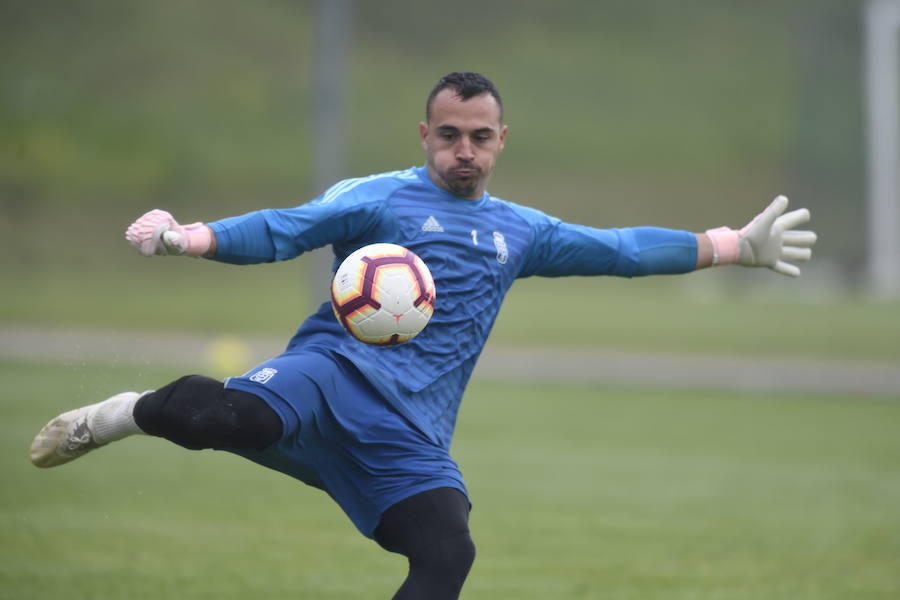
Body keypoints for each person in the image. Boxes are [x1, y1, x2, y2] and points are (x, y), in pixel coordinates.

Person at [30, 72, 817, 599]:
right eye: (449, 136)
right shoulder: (377, 201)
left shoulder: (521, 231)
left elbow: (621, 249)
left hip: (411, 430)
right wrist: (186, 236)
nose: (463, 151)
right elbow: (283, 228)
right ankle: (124, 413)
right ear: (424, 135)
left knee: (447, 553)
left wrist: (732, 245)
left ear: (503, 138)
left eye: (478, 136)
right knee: (228, 421)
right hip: (330, 374)